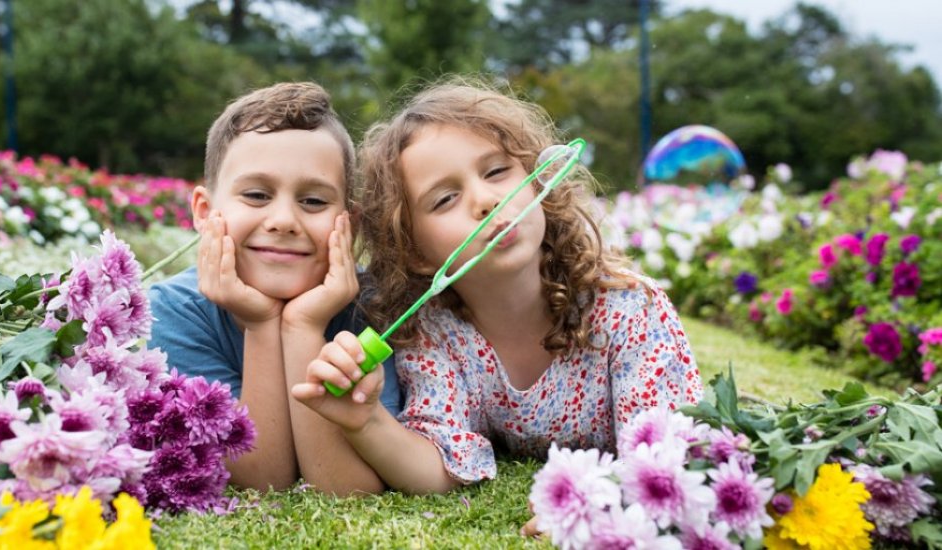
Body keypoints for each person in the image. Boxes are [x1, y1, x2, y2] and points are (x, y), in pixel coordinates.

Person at [290, 80, 702, 522]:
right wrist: (366, 420)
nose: (486, 201)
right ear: (415, 251)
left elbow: (668, 460)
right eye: (446, 198)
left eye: (496, 172)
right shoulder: (435, 334)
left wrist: (592, 501)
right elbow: (439, 468)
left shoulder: (627, 309)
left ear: (539, 181)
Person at [148, 82, 402, 495]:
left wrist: (303, 326)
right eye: (256, 195)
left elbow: (350, 489)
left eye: (314, 202)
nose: (283, 220)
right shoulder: (174, 313)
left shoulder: (371, 308)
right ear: (205, 212)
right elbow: (262, 478)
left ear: (349, 224)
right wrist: (263, 324)